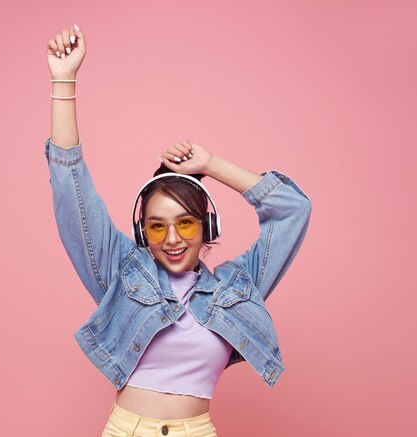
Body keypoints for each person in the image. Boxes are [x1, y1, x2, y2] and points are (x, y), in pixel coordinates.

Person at [44, 24, 312, 437]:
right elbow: (70, 184)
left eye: (185, 223)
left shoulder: (238, 286)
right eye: (156, 227)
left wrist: (210, 165)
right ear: (143, 232)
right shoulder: (121, 273)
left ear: (207, 226)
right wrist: (64, 81)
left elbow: (293, 210)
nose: (172, 239)